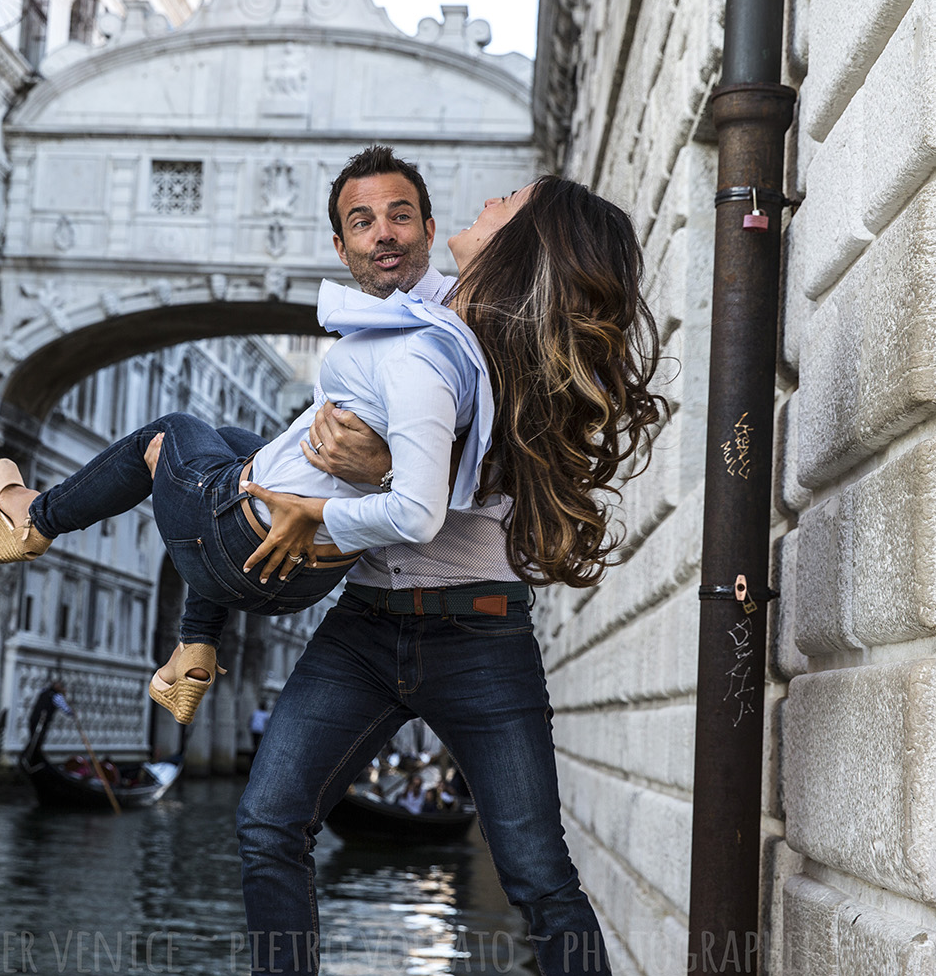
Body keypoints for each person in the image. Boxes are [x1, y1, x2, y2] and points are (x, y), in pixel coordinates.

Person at [235, 158, 665, 976]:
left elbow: (508, 480)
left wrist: (393, 469)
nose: (488, 200)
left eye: (507, 204)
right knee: (267, 822)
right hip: (365, 620)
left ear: (525, 243)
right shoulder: (413, 319)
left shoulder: (534, 359)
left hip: (480, 634)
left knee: (539, 876)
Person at [0, 148, 497, 727]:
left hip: (249, 543)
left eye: (399, 217)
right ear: (339, 244)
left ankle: (35, 520)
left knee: (169, 433)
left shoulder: (423, 346)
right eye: (363, 222)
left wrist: (317, 504)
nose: (383, 233)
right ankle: (196, 644)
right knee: (233, 441)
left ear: (428, 228)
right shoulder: (440, 328)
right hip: (306, 577)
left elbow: (420, 510)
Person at [25, 680, 73, 758]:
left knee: (34, 739)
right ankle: (31, 757)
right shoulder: (56, 696)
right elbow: (67, 710)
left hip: (34, 719)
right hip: (41, 722)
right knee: (36, 740)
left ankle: (33, 756)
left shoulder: (44, 692)